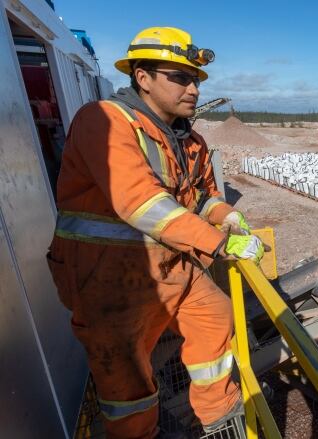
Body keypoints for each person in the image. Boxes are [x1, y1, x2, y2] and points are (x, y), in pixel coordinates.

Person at [46, 27, 262, 438]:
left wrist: (226, 217)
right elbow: (140, 202)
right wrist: (219, 242)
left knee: (215, 316)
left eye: (195, 79)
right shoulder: (105, 122)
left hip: (171, 266)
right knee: (126, 381)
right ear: (142, 78)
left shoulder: (188, 139)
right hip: (108, 279)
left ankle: (220, 418)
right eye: (179, 77)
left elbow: (201, 195)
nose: (193, 88)